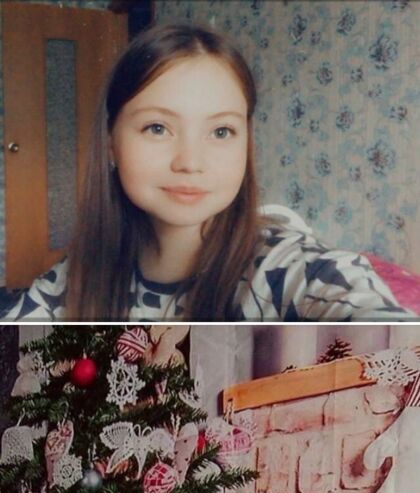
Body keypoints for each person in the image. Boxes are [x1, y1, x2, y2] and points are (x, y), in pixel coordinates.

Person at [4, 23, 416, 323]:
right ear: (111, 143)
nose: (190, 162)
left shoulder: (286, 270)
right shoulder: (79, 274)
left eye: (221, 131)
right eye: (157, 128)